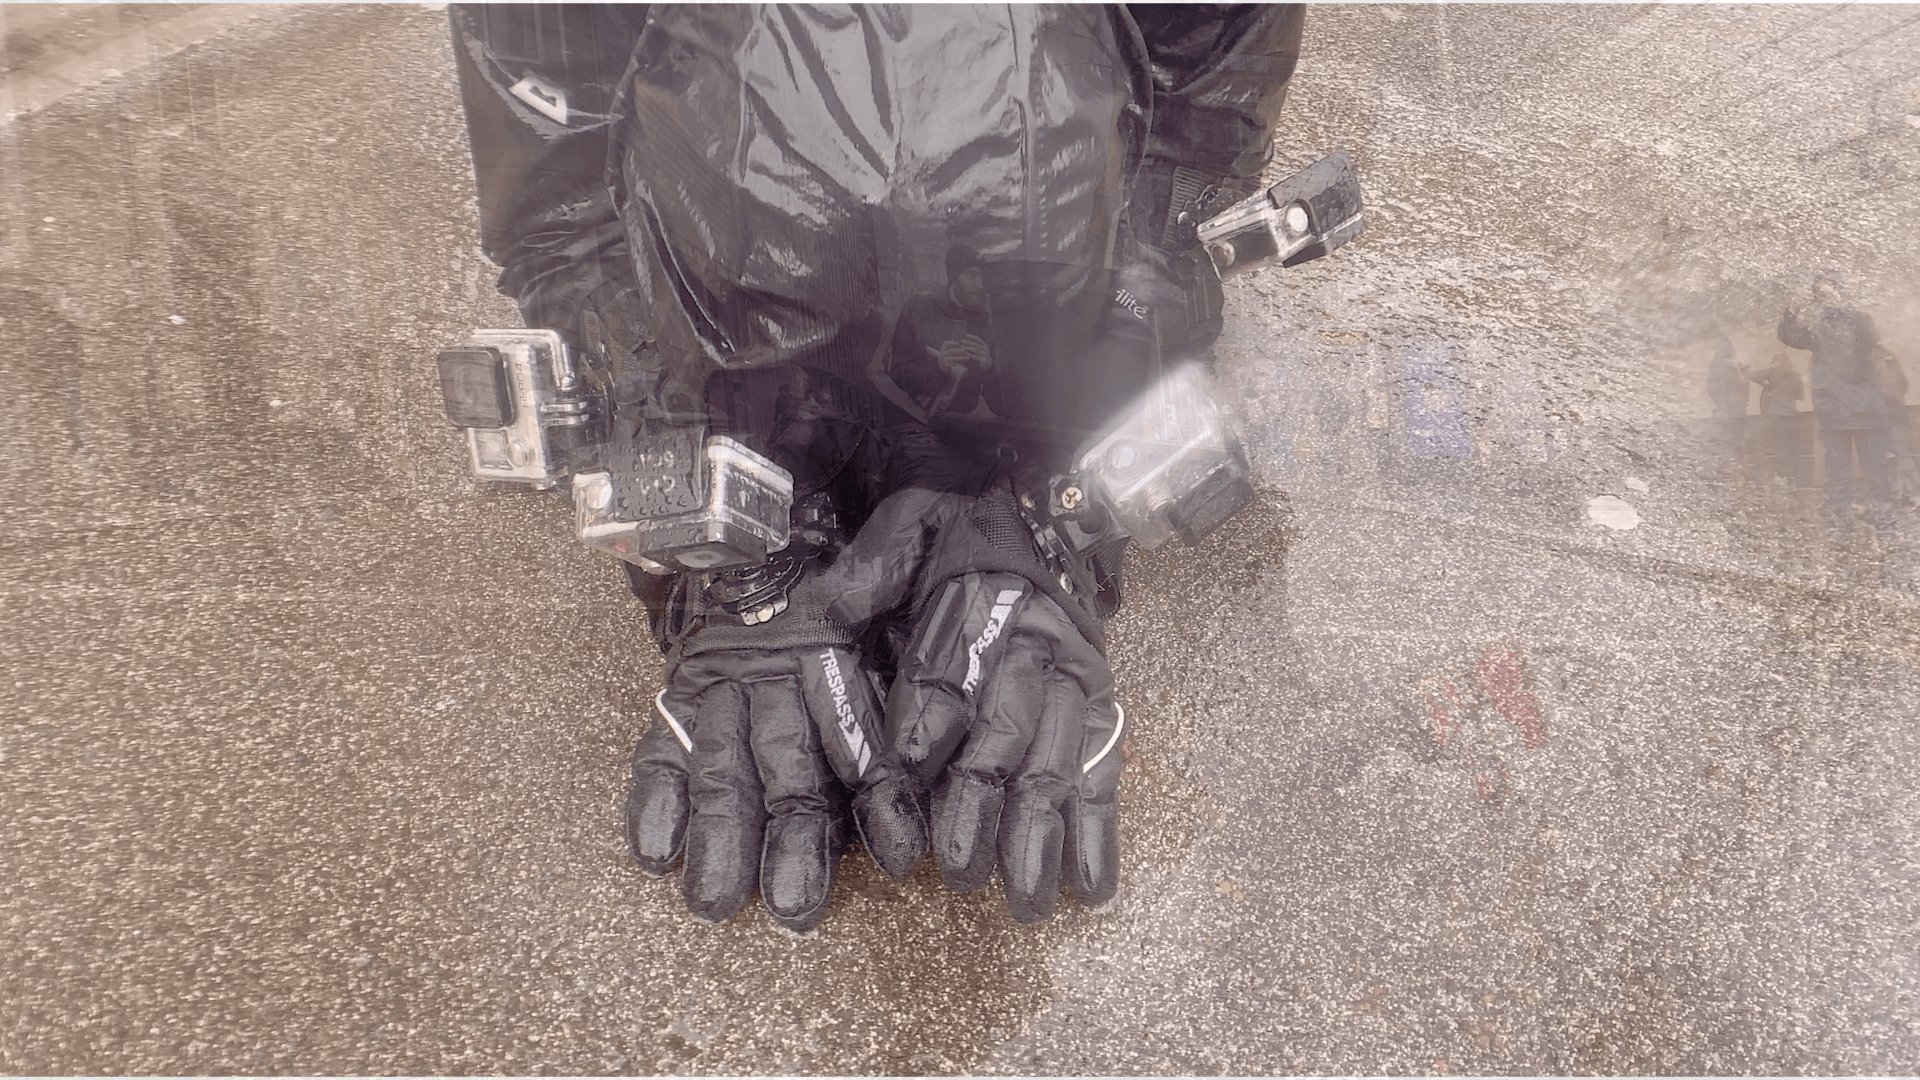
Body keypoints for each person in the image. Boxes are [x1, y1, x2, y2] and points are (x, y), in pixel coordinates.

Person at [450, 3, 1307, 930]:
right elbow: (562, 192)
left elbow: (1197, 121)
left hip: (1035, 368)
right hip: (728, 375)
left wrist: (1062, 486)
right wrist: (700, 494)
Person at [1777, 275, 1895, 540]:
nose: (1826, 295)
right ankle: (1838, 526)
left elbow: (1871, 335)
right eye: (1820, 292)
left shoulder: (1858, 319)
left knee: (1876, 472)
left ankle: (1886, 526)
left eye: (1830, 289)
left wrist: (1844, 307)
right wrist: (1792, 309)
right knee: (1838, 474)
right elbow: (1789, 335)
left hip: (1865, 409)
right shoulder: (1816, 329)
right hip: (1834, 409)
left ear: (1841, 291)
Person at [1748, 350, 1810, 489]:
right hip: (1792, 415)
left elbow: (1750, 375)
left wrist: (1766, 384)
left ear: (1776, 362)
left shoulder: (1771, 373)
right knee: (1791, 448)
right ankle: (1791, 478)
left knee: (1778, 447)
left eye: (1774, 361)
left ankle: (1782, 477)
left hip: (1776, 416)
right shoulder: (1796, 376)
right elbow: (1800, 396)